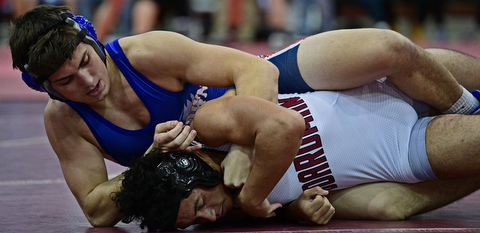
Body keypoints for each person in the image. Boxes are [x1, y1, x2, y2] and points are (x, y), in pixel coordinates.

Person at [9, 4, 480, 227]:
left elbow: (251, 69)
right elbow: (96, 210)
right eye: (66, 82)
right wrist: (154, 155)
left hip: (267, 86)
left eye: (86, 64)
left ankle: (467, 105)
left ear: (93, 43)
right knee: (383, 201)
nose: (86, 83)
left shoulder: (146, 52)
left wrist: (242, 146)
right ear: (46, 87)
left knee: (391, 49)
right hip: (236, 166)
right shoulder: (65, 120)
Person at [114, 82, 480, 231]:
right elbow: (278, 210)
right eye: (193, 223)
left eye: (198, 206)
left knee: (396, 51)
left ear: (189, 165)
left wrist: (251, 194)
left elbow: (284, 127)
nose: (209, 217)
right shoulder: (232, 216)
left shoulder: (210, 127)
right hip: (402, 148)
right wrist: (295, 210)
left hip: (386, 86)